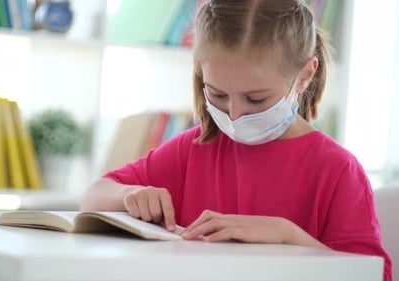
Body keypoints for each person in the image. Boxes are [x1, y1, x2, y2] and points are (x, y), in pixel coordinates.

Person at [80, 0, 392, 280]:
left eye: (256, 99)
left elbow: (372, 274)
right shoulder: (193, 148)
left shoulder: (337, 170)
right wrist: (131, 194)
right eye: (217, 94)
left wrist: (286, 236)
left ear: (305, 76)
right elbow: (94, 196)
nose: (234, 114)